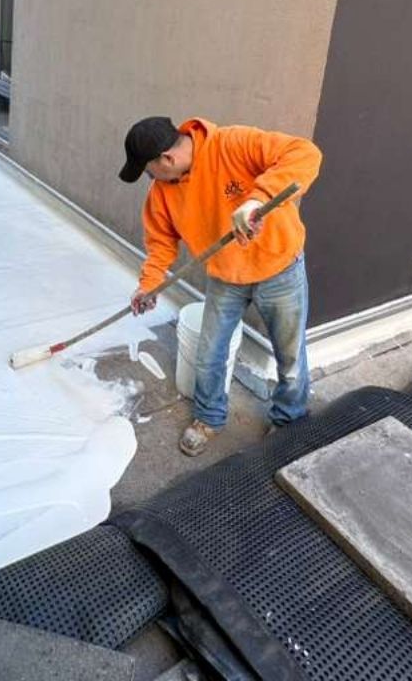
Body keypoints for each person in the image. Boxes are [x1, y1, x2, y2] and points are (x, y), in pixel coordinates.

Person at [119, 116, 322, 456]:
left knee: (290, 356)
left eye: (149, 171)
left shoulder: (232, 144)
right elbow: (160, 243)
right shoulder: (162, 194)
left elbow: (306, 153)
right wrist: (149, 285)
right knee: (209, 353)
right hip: (226, 278)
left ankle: (289, 420)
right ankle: (209, 417)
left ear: (166, 159)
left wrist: (257, 198)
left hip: (279, 269)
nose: (150, 180)